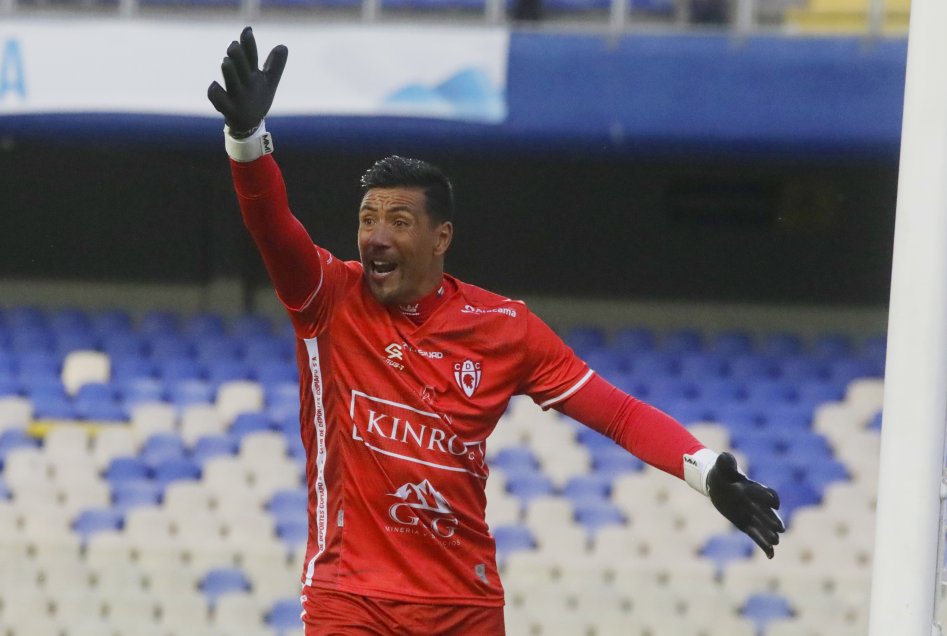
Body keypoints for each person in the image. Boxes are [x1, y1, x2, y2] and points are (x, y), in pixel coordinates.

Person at [208, 27, 784, 635]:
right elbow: (273, 227)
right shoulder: (328, 299)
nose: (375, 236)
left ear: (441, 237)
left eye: (398, 220)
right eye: (367, 218)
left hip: (466, 606)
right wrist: (246, 140)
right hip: (353, 599)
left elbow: (617, 414)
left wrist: (704, 468)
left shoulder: (506, 327)